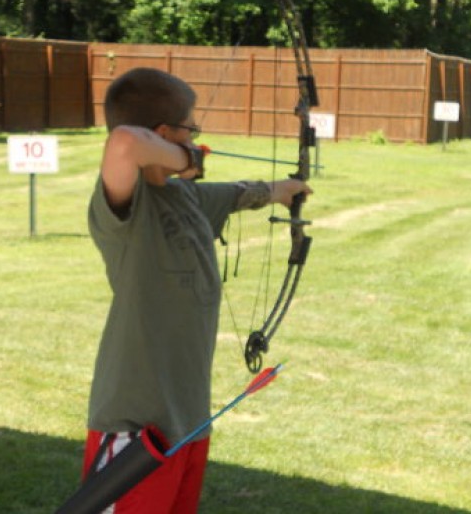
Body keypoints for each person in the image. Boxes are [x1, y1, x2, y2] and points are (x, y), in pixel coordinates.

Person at [83, 67, 312, 512]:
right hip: (134, 427)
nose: (196, 136)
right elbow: (125, 143)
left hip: (187, 420)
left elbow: (241, 192)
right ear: (166, 134)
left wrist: (284, 190)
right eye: (191, 127)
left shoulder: (186, 197)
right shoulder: (124, 211)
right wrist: (187, 160)